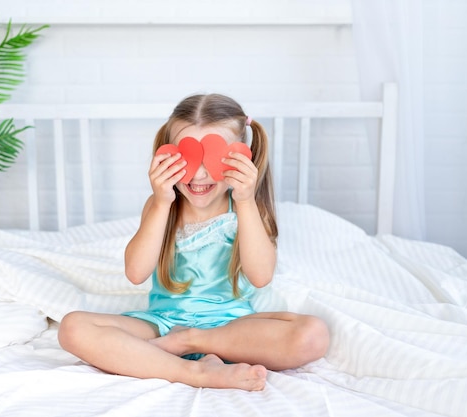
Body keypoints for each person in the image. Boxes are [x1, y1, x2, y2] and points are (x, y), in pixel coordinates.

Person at [58, 93, 330, 391]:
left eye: (213, 159)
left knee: (313, 334)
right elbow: (136, 273)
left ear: (241, 158)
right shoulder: (162, 205)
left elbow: (261, 276)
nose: (199, 174)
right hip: (163, 323)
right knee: (72, 327)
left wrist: (245, 201)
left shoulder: (248, 208)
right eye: (187, 158)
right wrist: (161, 202)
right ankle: (194, 371)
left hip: (232, 330)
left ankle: (188, 343)